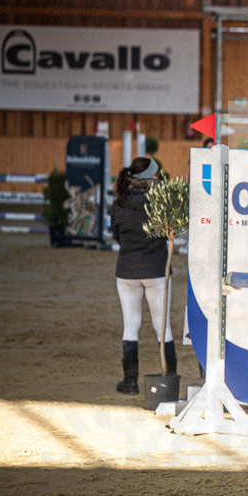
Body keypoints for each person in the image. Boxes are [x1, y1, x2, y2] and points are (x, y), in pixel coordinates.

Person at [110, 157, 175, 394]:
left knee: (130, 325)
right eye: (155, 174)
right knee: (162, 326)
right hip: (156, 270)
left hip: (127, 270)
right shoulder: (160, 201)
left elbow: (117, 235)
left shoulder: (119, 202)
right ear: (149, 177)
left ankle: (130, 382)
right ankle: (170, 379)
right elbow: (170, 233)